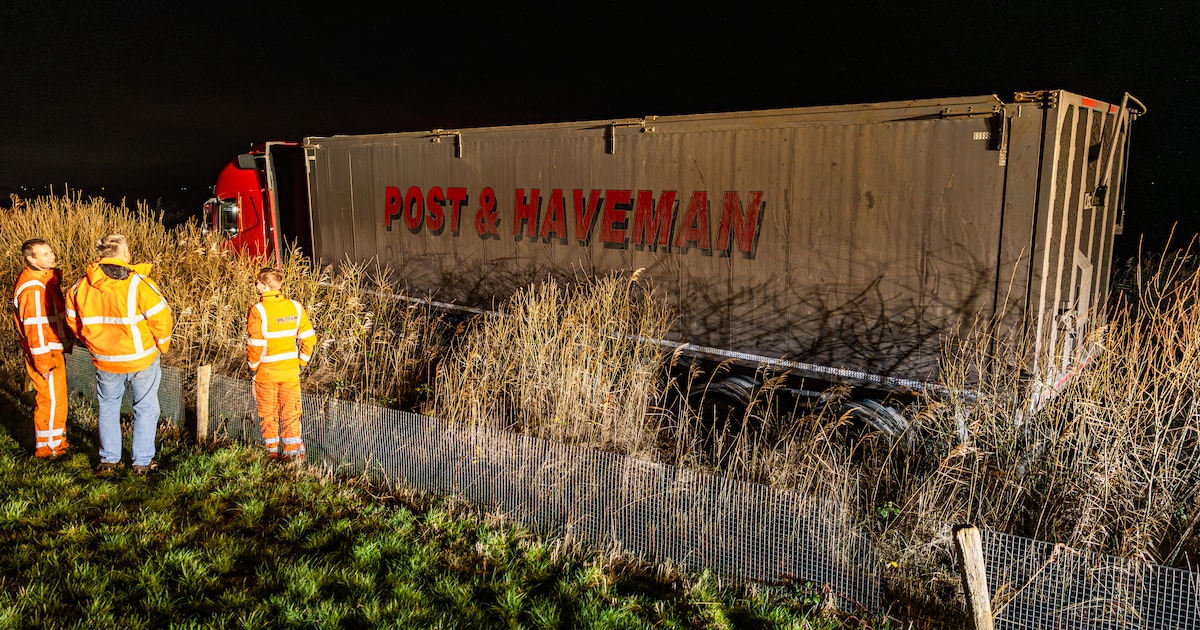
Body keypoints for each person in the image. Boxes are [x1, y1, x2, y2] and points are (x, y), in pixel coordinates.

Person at [64, 234, 173, 475]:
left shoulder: (79, 287)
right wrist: (161, 346)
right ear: (124, 253)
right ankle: (141, 462)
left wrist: (94, 344)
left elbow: (73, 322)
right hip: (141, 357)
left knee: (108, 407)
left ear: (101, 255)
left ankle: (109, 460)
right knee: (145, 408)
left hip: (104, 360)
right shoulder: (139, 284)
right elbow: (162, 320)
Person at [12, 239, 75, 458]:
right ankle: (50, 448)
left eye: (51, 251)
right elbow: (35, 329)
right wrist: (43, 362)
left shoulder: (41, 280)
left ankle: (54, 442)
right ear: (31, 259)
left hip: (50, 349)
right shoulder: (34, 289)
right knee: (51, 400)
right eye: (45, 254)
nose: (52, 256)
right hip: (46, 352)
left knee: (53, 398)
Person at [247, 268, 315, 461]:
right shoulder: (295, 307)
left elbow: (255, 345)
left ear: (265, 285)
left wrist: (253, 368)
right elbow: (309, 338)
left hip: (266, 373)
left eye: (257, 282)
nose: (255, 285)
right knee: (291, 412)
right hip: (290, 372)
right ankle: (293, 456)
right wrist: (302, 362)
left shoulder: (258, 310)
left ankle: (271, 453)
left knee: (268, 414)